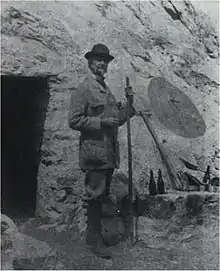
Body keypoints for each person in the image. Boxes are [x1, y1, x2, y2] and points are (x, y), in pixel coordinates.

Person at [68, 44, 135, 259]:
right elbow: (74, 120)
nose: (102, 64)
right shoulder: (84, 89)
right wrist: (101, 121)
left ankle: (97, 237)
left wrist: (129, 105)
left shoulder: (105, 90)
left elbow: (116, 121)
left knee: (102, 195)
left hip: (108, 154)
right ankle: (93, 241)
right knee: (95, 196)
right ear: (90, 62)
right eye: (98, 60)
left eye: (105, 60)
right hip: (94, 153)